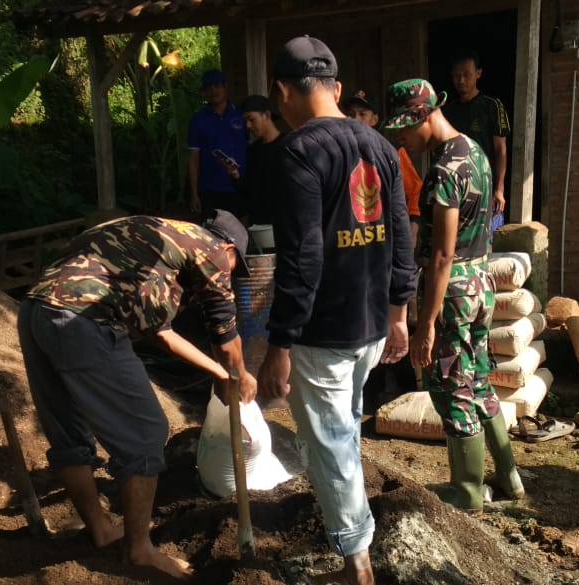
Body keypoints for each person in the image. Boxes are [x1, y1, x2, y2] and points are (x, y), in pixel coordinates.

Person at [18, 210, 257, 580]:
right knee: (146, 433)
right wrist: (240, 376)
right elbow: (225, 336)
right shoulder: (210, 251)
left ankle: (100, 530)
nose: (230, 274)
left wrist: (217, 374)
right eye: (234, 266)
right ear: (228, 247)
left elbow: (160, 333)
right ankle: (140, 551)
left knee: (67, 430)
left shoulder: (154, 241)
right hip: (84, 320)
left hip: (36, 311)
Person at [257, 36, 416, 585]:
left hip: (322, 332)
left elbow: (301, 259)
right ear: (338, 89)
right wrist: (399, 315)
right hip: (372, 325)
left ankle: (356, 566)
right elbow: (400, 237)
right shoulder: (378, 145)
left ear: (281, 91)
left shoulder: (298, 152)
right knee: (341, 431)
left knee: (331, 445)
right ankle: (353, 540)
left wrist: (279, 346)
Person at [384, 79, 524, 510]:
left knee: (452, 388)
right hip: (481, 283)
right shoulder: (475, 153)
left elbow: (443, 254)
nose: (401, 141)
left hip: (453, 291)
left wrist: (425, 323)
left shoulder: (445, 170)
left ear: (424, 117)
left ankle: (466, 493)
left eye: (404, 131)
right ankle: (509, 477)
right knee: (478, 380)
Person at [342, 89, 423, 245]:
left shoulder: (391, 152)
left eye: (362, 114)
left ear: (374, 119)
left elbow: (415, 190)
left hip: (384, 236)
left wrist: (413, 224)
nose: (355, 119)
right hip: (349, 237)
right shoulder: (339, 151)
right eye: (351, 114)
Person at [443, 48, 510, 231]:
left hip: (485, 186)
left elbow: (501, 150)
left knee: (487, 241)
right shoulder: (448, 110)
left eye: (467, 75)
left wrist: (499, 189)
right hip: (457, 187)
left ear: (478, 73)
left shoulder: (492, 105)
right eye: (457, 76)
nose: (461, 80)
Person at [187, 69, 248, 218]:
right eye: (208, 88)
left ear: (225, 86)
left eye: (216, 86)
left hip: (238, 188)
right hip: (209, 190)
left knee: (240, 236)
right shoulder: (198, 120)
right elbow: (193, 159)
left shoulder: (241, 114)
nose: (213, 91)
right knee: (211, 237)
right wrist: (194, 194)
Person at [220, 94, 284, 226]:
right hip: (259, 224)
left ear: (266, 115)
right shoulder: (253, 150)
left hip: (284, 222)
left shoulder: (289, 145)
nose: (248, 126)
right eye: (245, 121)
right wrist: (235, 174)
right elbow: (249, 191)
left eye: (251, 119)